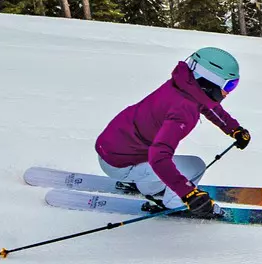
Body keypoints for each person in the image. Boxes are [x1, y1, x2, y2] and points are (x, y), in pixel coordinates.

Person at [95, 46, 252, 217]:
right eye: (229, 85)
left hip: (112, 150)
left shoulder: (183, 85)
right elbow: (159, 156)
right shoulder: (183, 111)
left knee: (175, 166)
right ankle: (173, 202)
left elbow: (206, 105)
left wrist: (233, 129)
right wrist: (187, 194)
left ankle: (145, 183)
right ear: (209, 81)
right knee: (195, 166)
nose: (228, 92)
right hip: (121, 164)